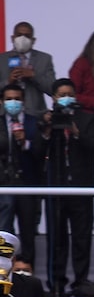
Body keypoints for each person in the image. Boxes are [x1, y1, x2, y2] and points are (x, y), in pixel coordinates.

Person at [40, 78, 94, 297]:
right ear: (54, 98)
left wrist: (76, 132)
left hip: (81, 187)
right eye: (61, 94)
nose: (65, 97)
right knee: (57, 238)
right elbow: (37, 149)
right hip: (55, 188)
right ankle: (56, 282)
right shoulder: (48, 120)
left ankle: (80, 281)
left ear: (74, 96)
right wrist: (47, 129)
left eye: (69, 93)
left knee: (81, 237)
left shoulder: (86, 119)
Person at [0, 84, 44, 269]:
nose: (13, 102)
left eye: (17, 99)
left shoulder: (34, 123)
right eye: (9, 99)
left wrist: (25, 142)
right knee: (4, 231)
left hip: (27, 183)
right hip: (3, 183)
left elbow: (41, 153)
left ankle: (27, 275)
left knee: (28, 231)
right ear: (2, 102)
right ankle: (3, 271)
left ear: (24, 101)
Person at [1, 22, 56, 118]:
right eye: (19, 35)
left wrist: (34, 76)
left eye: (27, 36)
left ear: (33, 40)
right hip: (5, 115)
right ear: (12, 38)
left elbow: (52, 89)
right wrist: (8, 81)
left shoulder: (44, 59)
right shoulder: (2, 59)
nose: (23, 39)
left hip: (35, 114)